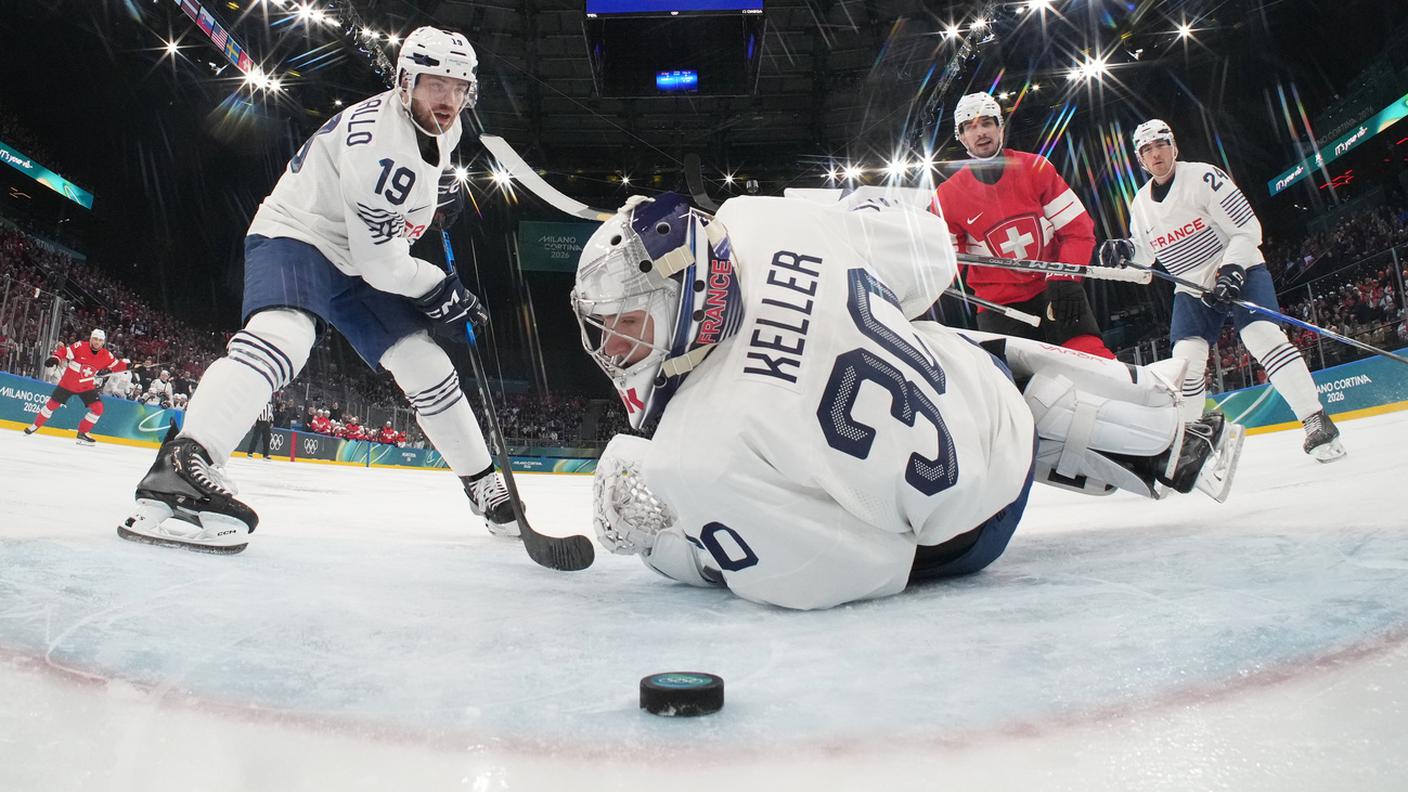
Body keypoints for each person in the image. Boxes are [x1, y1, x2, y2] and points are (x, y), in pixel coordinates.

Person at [572, 191, 1241, 610]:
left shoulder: (694, 448)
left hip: (962, 540)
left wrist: (669, 546)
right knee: (944, 344)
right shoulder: (758, 219)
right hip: (994, 405)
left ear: (683, 293)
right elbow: (928, 261)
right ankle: (1159, 429)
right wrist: (858, 216)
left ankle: (1132, 432)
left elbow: (841, 570)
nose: (615, 351)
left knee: (828, 484)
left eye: (629, 325)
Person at [119, 27, 518, 554]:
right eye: (434, 85)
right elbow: (383, 268)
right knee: (285, 333)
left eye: (458, 86)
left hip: (362, 250)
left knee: (426, 363)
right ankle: (184, 467)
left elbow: (397, 222)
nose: (447, 100)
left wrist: (431, 196)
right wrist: (440, 287)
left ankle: (484, 486)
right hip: (301, 232)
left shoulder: (443, 123)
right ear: (405, 83)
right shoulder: (382, 149)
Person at [1098, 119, 1346, 462]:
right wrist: (1126, 250)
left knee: (1262, 336)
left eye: (1161, 144)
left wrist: (1231, 270)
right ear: (1139, 160)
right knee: (1184, 364)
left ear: (1174, 146)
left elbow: (1248, 228)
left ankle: (1315, 419)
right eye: (1147, 149)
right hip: (1190, 286)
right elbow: (1147, 252)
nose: (1156, 154)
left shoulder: (1203, 176)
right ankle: (1187, 442)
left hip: (1237, 268)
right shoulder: (1140, 204)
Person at [932, 92, 1113, 358]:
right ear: (961, 138)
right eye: (970, 127)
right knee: (1014, 389)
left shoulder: (1036, 168)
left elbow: (1078, 231)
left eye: (987, 123)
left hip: (1055, 290)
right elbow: (945, 266)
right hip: (999, 309)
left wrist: (1064, 279)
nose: (980, 132)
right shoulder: (947, 196)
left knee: (1091, 360)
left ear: (1000, 127)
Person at [25, 328, 129, 445]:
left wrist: (132, 366)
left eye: (100, 340)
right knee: (51, 406)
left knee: (98, 408)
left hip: (86, 387)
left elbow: (117, 366)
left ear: (103, 342)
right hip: (67, 384)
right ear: (90, 338)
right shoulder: (80, 346)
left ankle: (82, 434)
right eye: (95, 339)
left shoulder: (106, 355)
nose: (97, 342)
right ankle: (35, 426)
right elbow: (64, 352)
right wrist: (56, 358)